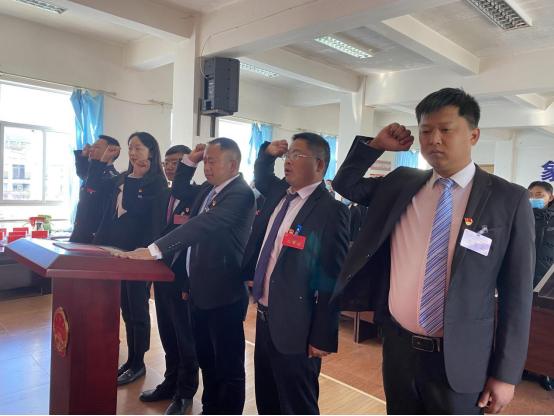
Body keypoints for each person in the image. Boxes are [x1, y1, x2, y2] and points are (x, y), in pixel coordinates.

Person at [332, 88, 536, 415]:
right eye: (426, 131)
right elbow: (345, 185)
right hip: (399, 350)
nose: (434, 139)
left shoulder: (508, 199)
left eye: (445, 129)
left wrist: (506, 374)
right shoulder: (401, 183)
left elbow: (517, 295)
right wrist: (376, 146)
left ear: (473, 135)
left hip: (461, 359)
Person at [118, 138, 256, 415]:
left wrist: (155, 249)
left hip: (224, 293)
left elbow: (203, 224)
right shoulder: (209, 189)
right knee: (207, 361)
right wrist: (190, 160)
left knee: (227, 367)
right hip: (199, 291)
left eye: (212, 162)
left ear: (233, 165)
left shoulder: (241, 194)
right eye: (206, 162)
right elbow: (179, 188)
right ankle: (211, 409)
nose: (207, 167)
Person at [241, 133, 350, 415]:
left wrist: (323, 336)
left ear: (319, 164)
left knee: (296, 404)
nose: (288, 160)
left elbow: (332, 279)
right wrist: (267, 153)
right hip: (264, 318)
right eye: (288, 154)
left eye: (297, 155)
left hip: (298, 326)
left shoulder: (331, 211)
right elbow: (261, 174)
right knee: (267, 398)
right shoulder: (280, 193)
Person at [89, 132, 168, 387]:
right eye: (130, 148)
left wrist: (136, 178)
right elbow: (94, 187)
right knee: (126, 307)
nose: (133, 153)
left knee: (138, 309)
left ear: (151, 152)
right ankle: (131, 359)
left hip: (139, 254)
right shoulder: (123, 177)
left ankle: (139, 362)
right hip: (117, 251)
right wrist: (102, 160)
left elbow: (137, 208)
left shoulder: (157, 182)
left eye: (139, 148)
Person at [138, 145, 200, 415]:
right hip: (160, 276)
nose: (171, 167)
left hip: (184, 278)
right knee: (167, 333)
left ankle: (185, 392)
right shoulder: (162, 196)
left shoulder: (197, 195)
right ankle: (170, 382)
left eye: (177, 162)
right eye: (167, 163)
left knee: (186, 338)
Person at [529, 181, 554, 391]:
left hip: (548, 283)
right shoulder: (524, 215)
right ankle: (524, 364)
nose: (533, 198)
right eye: (530, 194)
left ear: (550, 197)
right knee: (524, 322)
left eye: (538, 194)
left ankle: (546, 371)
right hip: (524, 277)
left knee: (546, 327)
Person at [70, 135, 120, 244]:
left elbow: (92, 182)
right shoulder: (92, 173)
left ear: (111, 152)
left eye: (96, 147)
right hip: (79, 236)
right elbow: (83, 173)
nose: (91, 150)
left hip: (94, 239)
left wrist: (102, 161)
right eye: (92, 146)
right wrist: (82, 156)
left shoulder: (112, 177)